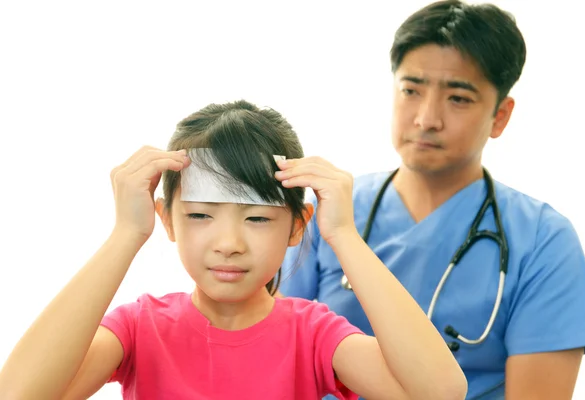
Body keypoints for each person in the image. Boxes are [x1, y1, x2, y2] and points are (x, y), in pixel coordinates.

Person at [0, 100, 467, 399]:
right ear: (167, 219)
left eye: (258, 218)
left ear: (296, 226)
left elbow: (441, 392)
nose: (229, 244)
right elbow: (19, 393)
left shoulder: (314, 336)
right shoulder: (139, 328)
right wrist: (126, 234)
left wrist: (343, 233)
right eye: (200, 215)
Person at [279, 1, 585, 399]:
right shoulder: (327, 212)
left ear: (500, 116)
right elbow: (271, 354)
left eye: (458, 98)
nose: (426, 118)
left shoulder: (543, 241)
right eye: (411, 90)